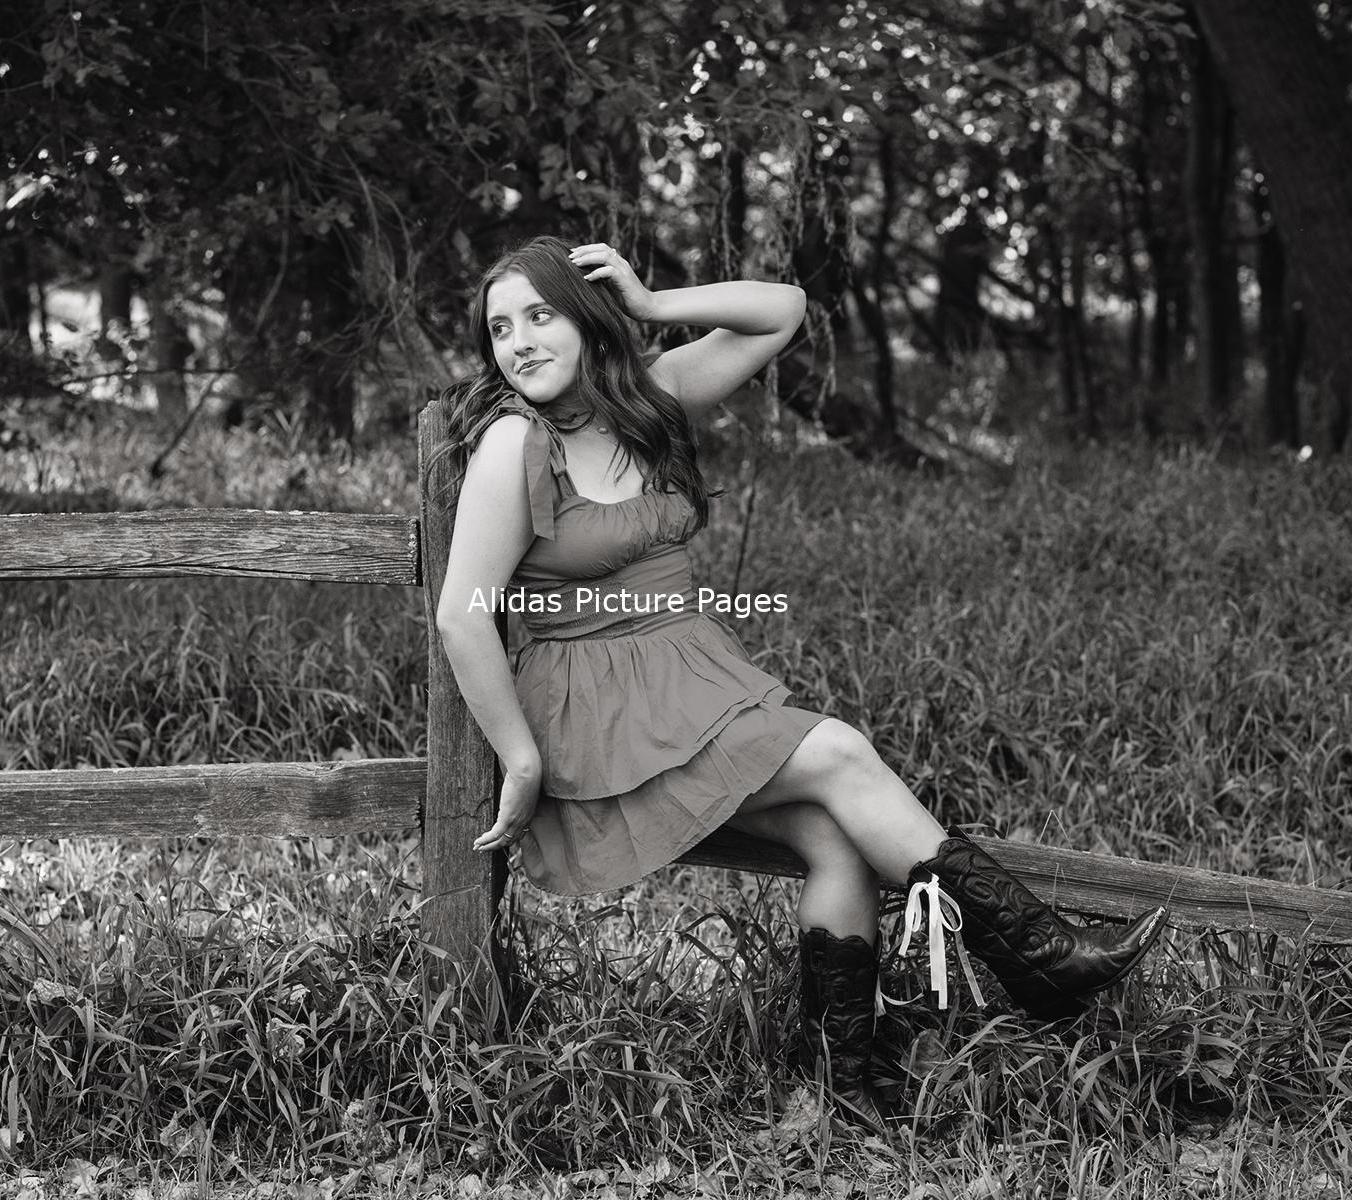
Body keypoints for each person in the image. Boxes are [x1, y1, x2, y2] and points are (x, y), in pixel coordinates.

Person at [428, 235, 1169, 1130]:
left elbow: (782, 310)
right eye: (500, 328)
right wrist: (519, 759)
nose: (519, 342)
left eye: (540, 315)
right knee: (841, 754)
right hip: (598, 710)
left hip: (685, 684)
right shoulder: (515, 442)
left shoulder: (646, 399)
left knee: (836, 840)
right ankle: (1038, 955)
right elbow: (464, 614)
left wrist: (653, 302)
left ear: (588, 318)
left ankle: (837, 1091)